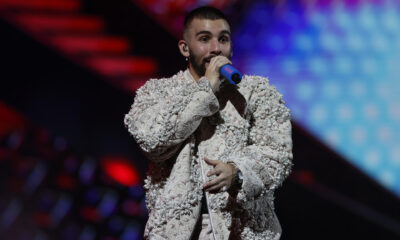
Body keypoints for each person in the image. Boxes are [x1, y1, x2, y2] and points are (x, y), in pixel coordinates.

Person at [124, 6, 293, 240]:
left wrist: (237, 172)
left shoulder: (258, 93)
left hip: (241, 230)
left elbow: (277, 155)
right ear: (185, 48)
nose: (216, 48)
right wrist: (206, 91)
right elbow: (153, 142)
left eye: (223, 39)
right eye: (205, 39)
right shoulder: (157, 94)